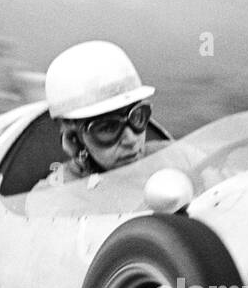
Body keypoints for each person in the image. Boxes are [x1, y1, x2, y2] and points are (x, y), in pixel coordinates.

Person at [34, 41, 164, 189]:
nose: (131, 140)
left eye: (137, 117)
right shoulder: (54, 197)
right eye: (108, 128)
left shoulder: (173, 157)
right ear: (75, 139)